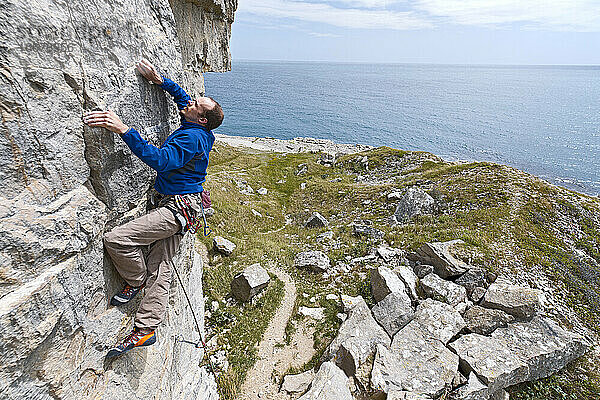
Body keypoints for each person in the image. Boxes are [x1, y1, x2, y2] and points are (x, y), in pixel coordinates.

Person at [83, 59, 223, 358]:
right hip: (185, 205)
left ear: (200, 119)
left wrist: (123, 129)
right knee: (161, 268)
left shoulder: (191, 137)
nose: (189, 101)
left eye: (196, 104)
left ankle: (134, 281)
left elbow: (159, 160)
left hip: (176, 209)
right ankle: (147, 329)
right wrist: (162, 81)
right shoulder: (198, 124)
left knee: (118, 239)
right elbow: (183, 98)